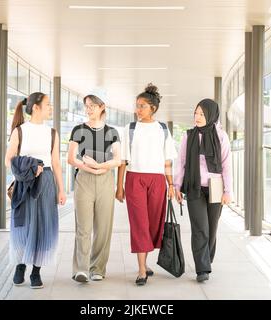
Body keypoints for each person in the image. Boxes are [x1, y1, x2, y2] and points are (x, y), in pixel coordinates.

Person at [116, 84, 177, 286]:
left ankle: (146, 262)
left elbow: (168, 161)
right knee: (139, 223)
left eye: (142, 106)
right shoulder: (130, 129)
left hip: (158, 180)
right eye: (136, 106)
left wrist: (171, 185)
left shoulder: (163, 129)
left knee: (152, 224)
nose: (137, 110)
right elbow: (123, 161)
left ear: (153, 108)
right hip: (134, 179)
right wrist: (119, 186)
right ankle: (142, 269)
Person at [5, 92, 66, 289]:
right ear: (36, 107)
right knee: (24, 223)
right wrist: (30, 167)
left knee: (43, 224)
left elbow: (56, 162)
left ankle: (36, 272)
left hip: (47, 182)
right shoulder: (19, 131)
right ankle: (20, 266)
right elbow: (9, 159)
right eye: (48, 104)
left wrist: (62, 189)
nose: (51, 108)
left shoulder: (52, 133)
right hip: (25, 183)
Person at [174, 99, 232, 283]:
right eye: (196, 113)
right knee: (200, 228)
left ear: (211, 115)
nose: (197, 117)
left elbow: (226, 165)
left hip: (215, 187)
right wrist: (177, 186)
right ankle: (202, 268)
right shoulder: (188, 136)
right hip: (194, 187)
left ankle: (207, 260)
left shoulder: (221, 137)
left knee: (212, 228)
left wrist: (228, 191)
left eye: (202, 114)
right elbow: (181, 163)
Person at [68, 94, 121, 283]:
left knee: (103, 227)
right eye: (86, 106)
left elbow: (117, 159)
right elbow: (71, 158)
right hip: (84, 180)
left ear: (101, 107)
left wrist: (99, 167)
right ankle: (80, 269)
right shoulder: (78, 130)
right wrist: (88, 167)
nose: (89, 109)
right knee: (83, 227)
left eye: (92, 106)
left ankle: (97, 268)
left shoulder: (112, 132)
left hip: (105, 179)